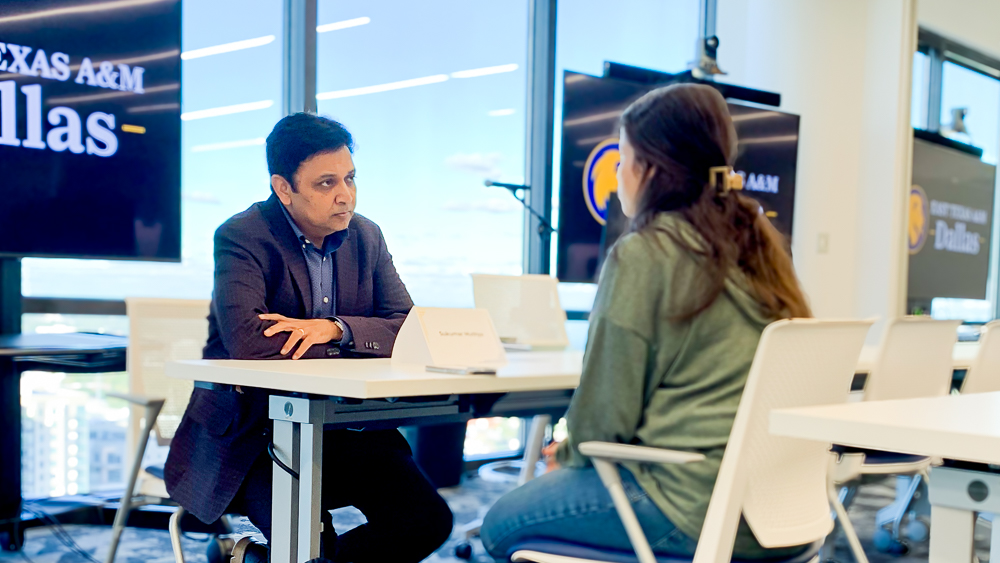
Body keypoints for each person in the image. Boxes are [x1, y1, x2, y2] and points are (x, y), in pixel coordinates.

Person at [480, 84, 813, 561]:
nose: (618, 173)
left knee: (500, 524)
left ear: (650, 167)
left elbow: (602, 422)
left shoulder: (645, 253)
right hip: (779, 510)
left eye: (623, 158)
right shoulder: (758, 247)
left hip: (691, 507)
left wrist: (568, 456)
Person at [164, 113, 453, 563]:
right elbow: (249, 341)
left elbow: (407, 326)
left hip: (344, 427)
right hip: (255, 434)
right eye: (325, 183)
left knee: (426, 521)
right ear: (284, 188)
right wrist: (358, 341)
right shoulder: (243, 235)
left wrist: (336, 328)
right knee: (310, 541)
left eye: (350, 178)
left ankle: (249, 560)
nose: (345, 195)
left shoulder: (366, 235)